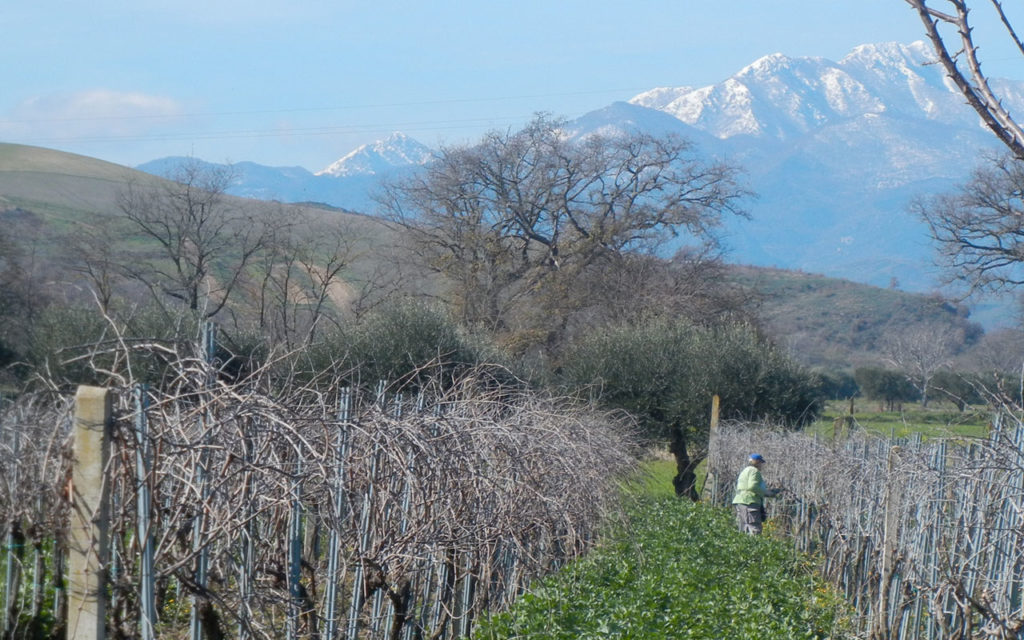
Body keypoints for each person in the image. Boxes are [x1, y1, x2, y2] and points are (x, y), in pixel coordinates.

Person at [732, 453, 780, 535]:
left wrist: (767, 492)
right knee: (754, 528)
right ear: (757, 462)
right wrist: (766, 493)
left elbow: (748, 487)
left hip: (741, 501)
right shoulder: (755, 471)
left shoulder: (745, 471)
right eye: (761, 462)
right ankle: (754, 546)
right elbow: (752, 487)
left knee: (743, 528)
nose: (762, 465)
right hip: (749, 502)